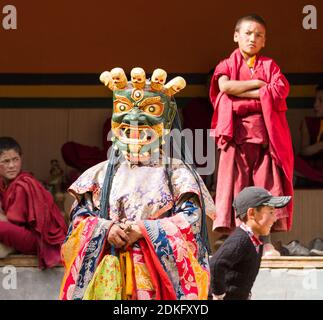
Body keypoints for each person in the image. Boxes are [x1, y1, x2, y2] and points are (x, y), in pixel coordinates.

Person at [59, 67, 216, 300]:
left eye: (149, 113)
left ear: (164, 124)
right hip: (108, 278)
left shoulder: (178, 174)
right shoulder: (98, 175)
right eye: (123, 112)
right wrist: (106, 229)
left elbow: (191, 222)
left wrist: (142, 230)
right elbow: (79, 220)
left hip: (156, 283)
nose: (133, 122)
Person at [209, 14, 294, 255]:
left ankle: (265, 243)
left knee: (265, 189)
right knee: (235, 187)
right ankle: (236, 242)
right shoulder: (227, 64)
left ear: (265, 41)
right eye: (247, 33)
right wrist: (260, 86)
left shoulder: (270, 65)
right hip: (235, 138)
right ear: (236, 36)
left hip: (265, 137)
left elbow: (280, 91)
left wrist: (242, 93)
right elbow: (224, 88)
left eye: (259, 35)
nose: (252, 38)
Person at [209, 186, 291, 300]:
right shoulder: (241, 240)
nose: (275, 218)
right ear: (251, 213)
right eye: (271, 212)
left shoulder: (256, 240)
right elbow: (215, 264)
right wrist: (219, 295)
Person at [0, 137, 67, 268]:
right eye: (6, 161)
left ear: (21, 158)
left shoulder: (23, 184)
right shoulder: (4, 184)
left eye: (15, 160)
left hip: (40, 241)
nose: (12, 166)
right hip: (21, 235)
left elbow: (14, 223)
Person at [294, 85, 323, 187]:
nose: (315, 105)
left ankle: (307, 181)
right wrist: (320, 146)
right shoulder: (308, 122)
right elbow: (304, 151)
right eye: (315, 100)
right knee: (292, 161)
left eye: (321, 101)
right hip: (311, 166)